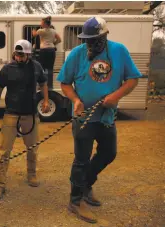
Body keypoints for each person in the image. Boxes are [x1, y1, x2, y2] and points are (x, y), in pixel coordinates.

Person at [57, 17, 142, 223]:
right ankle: (75, 201)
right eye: (86, 40)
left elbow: (133, 79)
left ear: (104, 36)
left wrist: (116, 96)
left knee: (108, 153)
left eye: (94, 39)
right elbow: (65, 83)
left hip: (106, 117)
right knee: (81, 159)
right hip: (83, 118)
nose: (89, 44)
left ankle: (86, 184)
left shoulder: (119, 51)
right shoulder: (77, 54)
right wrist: (75, 99)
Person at [0, 39, 50, 200]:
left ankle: (31, 175)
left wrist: (45, 101)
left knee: (32, 147)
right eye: (17, 54)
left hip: (30, 114)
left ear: (28, 54)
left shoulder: (36, 67)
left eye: (22, 55)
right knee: (4, 151)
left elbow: (43, 84)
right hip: (11, 114)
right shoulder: (7, 69)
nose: (19, 57)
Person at [32, 16, 62, 89]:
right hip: (51, 50)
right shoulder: (53, 31)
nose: (40, 23)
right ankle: (50, 86)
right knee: (50, 68)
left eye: (41, 22)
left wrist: (33, 30)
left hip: (44, 50)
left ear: (45, 23)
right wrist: (53, 44)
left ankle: (42, 85)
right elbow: (59, 40)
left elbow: (34, 35)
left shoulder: (41, 31)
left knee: (42, 68)